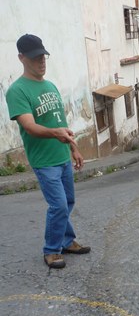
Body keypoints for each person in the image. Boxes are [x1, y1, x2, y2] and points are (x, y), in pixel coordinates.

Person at [6, 34, 90, 269]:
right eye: (35, 58)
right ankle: (51, 250)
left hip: (62, 155)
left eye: (43, 56)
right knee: (59, 205)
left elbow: (59, 121)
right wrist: (56, 135)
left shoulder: (50, 85)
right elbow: (30, 127)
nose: (41, 61)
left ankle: (66, 240)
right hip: (44, 160)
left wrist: (73, 148)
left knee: (68, 201)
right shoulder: (17, 91)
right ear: (22, 58)